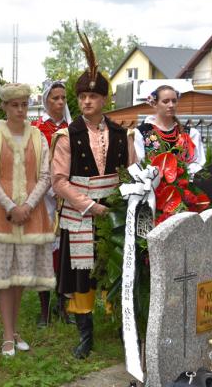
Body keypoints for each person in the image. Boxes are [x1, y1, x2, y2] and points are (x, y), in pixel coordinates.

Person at [51, 28, 137, 359]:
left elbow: (131, 174)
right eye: (82, 97)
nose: (87, 101)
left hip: (114, 214)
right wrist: (89, 205)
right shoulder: (65, 136)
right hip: (80, 214)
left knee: (115, 269)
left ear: (104, 100)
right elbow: (58, 180)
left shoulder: (121, 133)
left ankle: (121, 325)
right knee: (82, 276)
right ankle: (85, 335)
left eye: (93, 97)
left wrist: (117, 205)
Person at [0, 83, 56, 357]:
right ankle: (7, 335)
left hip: (31, 214)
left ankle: (15, 330)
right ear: (4, 106)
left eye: (24, 104)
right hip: (0, 214)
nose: (20, 109)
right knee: (5, 277)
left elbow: (45, 175)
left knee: (19, 275)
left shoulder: (38, 137)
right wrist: (10, 206)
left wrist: (28, 205)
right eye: (14, 104)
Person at [31, 80, 72, 327]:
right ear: (46, 101)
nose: (59, 102)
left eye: (63, 98)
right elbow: (33, 164)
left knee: (65, 254)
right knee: (44, 254)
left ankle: (63, 305)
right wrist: (47, 190)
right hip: (44, 200)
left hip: (67, 199)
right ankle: (44, 309)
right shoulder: (36, 130)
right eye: (54, 98)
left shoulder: (73, 129)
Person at [134, 85, 206, 174]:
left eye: (174, 101)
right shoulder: (141, 133)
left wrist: (184, 176)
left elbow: (197, 163)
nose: (171, 105)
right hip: (151, 185)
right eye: (165, 101)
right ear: (154, 104)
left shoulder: (190, 133)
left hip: (182, 185)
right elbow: (138, 165)